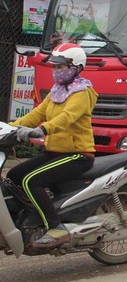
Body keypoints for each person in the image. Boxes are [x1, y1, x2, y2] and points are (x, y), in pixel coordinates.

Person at [8, 43, 97, 249]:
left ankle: (56, 228)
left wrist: (43, 130)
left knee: (31, 181)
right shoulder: (57, 91)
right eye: (55, 67)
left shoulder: (82, 93)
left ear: (76, 68)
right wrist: (9, 128)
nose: (57, 71)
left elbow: (67, 118)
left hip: (77, 155)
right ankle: (29, 216)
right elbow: (36, 115)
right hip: (54, 152)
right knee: (14, 175)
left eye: (62, 67)